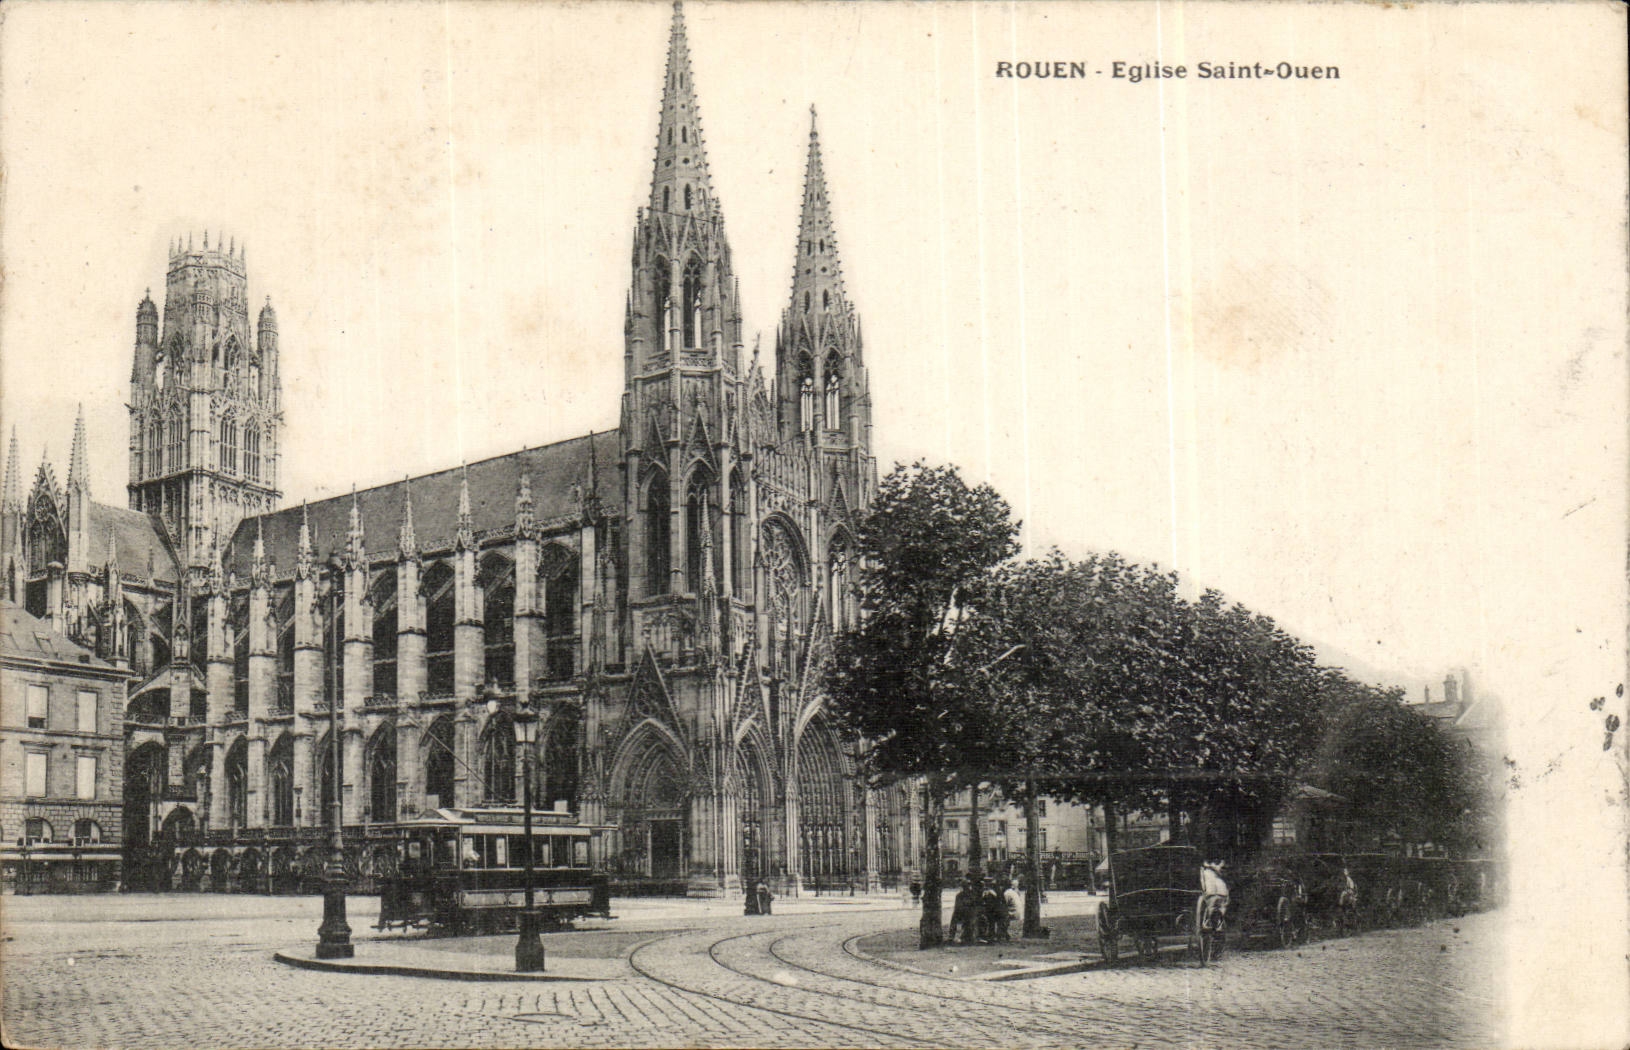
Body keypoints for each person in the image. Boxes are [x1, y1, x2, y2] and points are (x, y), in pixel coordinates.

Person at [948, 878, 976, 945]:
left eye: (967, 886)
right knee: (954, 918)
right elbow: (957, 906)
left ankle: (965, 936)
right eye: (965, 886)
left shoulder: (972, 895)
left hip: (969, 913)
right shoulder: (959, 895)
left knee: (969, 920)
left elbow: (973, 906)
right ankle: (951, 936)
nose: (966, 888)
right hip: (961, 913)